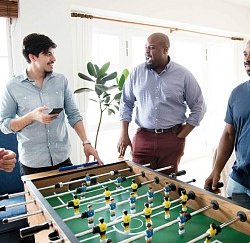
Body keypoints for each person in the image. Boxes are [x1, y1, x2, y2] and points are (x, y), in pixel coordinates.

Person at [0, 33, 103, 175]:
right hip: (32, 164)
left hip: (63, 159)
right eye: (48, 54)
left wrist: (86, 142)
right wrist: (31, 117)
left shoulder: (61, 81)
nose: (53, 59)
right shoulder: (12, 86)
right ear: (32, 57)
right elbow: (5, 125)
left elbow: (73, 115)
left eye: (53, 54)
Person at [117, 32, 206, 175]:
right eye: (145, 47)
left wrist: (183, 134)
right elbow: (126, 103)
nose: (146, 51)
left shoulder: (183, 75)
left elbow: (199, 106)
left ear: (165, 49)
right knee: (139, 182)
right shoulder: (136, 73)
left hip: (171, 139)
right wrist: (124, 133)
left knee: (168, 186)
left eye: (151, 47)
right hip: (143, 138)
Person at [204, 40, 250, 209]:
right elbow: (229, 134)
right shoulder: (237, 93)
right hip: (239, 183)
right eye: (245, 54)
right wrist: (216, 170)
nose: (247, 59)